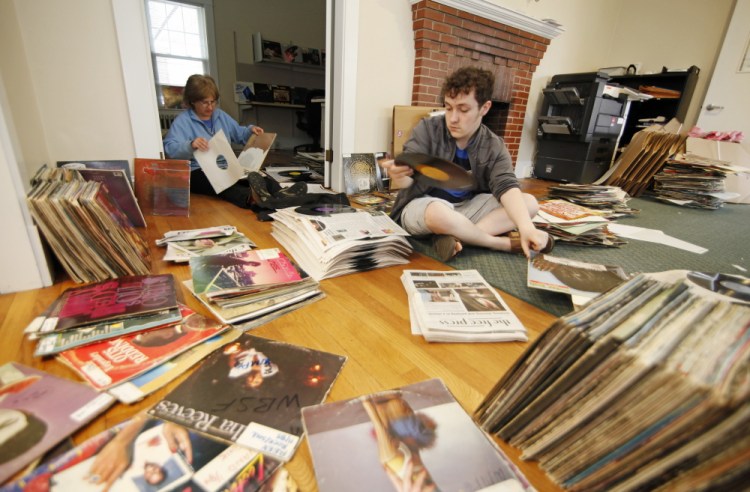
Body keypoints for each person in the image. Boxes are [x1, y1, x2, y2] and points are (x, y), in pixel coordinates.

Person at [380, 66, 554, 261]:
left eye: (463, 110)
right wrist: (400, 177)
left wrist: (527, 228)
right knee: (439, 213)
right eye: (448, 108)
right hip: (424, 208)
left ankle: (458, 236)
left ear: (485, 108)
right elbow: (408, 180)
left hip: (466, 208)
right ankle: (497, 243)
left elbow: (506, 185)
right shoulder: (427, 129)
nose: (453, 118)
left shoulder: (493, 144)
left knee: (529, 203)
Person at [163, 74, 264, 208]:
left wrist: (251, 131)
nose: (210, 107)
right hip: (197, 171)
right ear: (192, 101)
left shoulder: (220, 115)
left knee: (254, 177)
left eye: (213, 101)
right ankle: (251, 200)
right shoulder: (183, 121)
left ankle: (274, 192)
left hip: (225, 167)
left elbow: (239, 133)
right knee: (220, 183)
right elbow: (170, 148)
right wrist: (191, 145)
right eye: (205, 102)